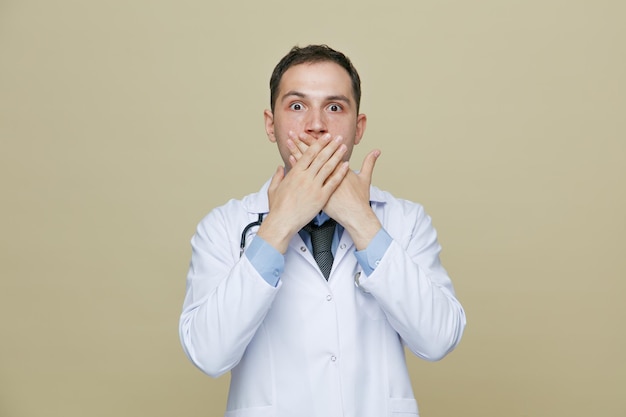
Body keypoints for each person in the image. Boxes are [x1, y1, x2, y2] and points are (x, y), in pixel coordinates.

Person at [179, 44, 466, 417]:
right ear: (271, 124)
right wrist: (278, 226)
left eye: (334, 107)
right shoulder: (223, 226)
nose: (316, 124)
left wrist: (362, 222)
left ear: (358, 127)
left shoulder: (405, 220)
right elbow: (208, 353)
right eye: (297, 106)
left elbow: (439, 337)